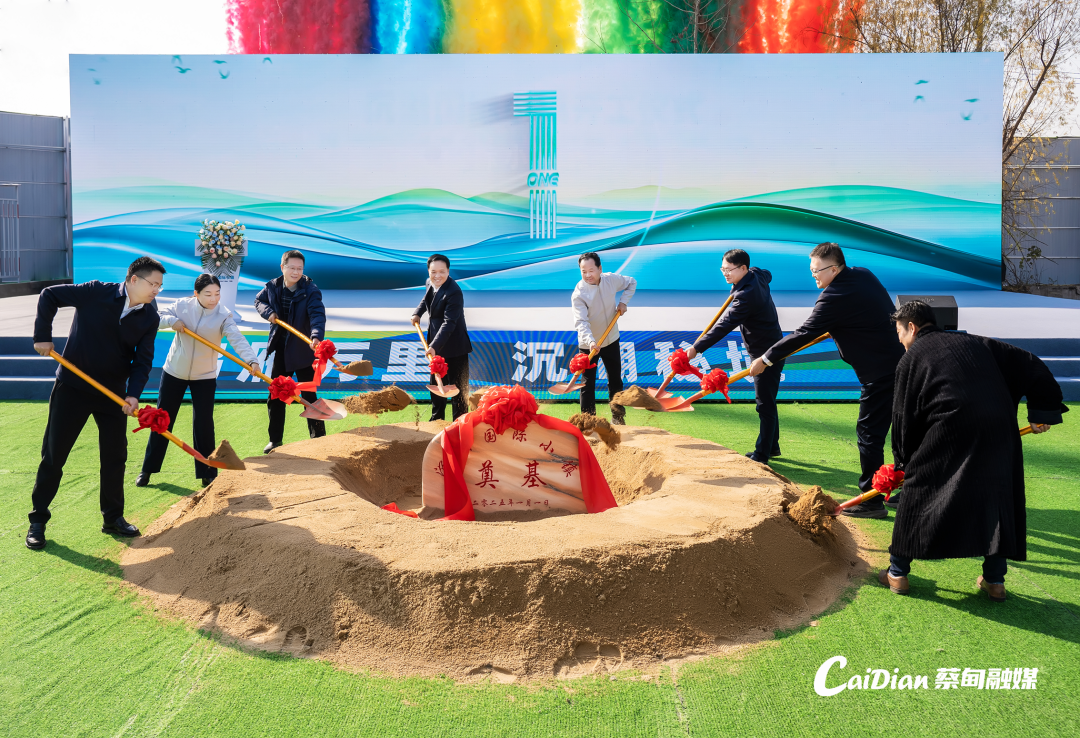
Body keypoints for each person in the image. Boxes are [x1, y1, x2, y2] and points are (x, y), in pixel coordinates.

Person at [880, 300, 1066, 601]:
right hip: (1000, 427)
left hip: (948, 425)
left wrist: (904, 464)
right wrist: (1042, 412)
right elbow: (1030, 363)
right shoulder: (977, 342)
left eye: (899, 333)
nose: (900, 340)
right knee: (996, 494)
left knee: (918, 490)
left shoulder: (910, 358)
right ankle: (995, 581)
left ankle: (897, 573)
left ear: (911, 327)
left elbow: (903, 417)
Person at [748, 242, 904, 518]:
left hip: (879, 373)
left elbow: (804, 333)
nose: (813, 276)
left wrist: (766, 358)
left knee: (869, 434)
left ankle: (871, 501)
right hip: (903, 363)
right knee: (902, 431)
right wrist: (841, 326)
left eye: (817, 271)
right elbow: (867, 312)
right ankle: (906, 490)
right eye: (811, 270)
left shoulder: (833, 297)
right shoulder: (863, 274)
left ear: (834, 268)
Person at [26, 256, 165, 550]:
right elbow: (49, 295)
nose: (156, 290)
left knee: (115, 457)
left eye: (159, 286)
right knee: (54, 455)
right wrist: (42, 336)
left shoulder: (150, 316)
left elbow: (143, 361)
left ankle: (112, 518)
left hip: (112, 394)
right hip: (72, 388)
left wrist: (133, 394)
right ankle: (37, 520)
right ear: (134, 280)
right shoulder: (96, 291)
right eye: (153, 284)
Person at [136, 274, 261, 488]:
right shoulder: (182, 306)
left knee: (204, 424)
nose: (213, 299)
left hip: (205, 376)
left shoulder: (223, 315)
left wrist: (251, 360)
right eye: (208, 294)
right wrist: (172, 321)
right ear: (196, 294)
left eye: (217, 294)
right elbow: (157, 317)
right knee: (162, 420)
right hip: (174, 371)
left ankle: (207, 473)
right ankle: (147, 469)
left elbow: (237, 338)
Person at [687, 249, 783, 464]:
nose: (725, 273)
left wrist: (696, 348)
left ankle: (762, 454)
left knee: (764, 403)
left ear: (743, 268)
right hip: (772, 344)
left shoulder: (745, 296)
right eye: (723, 269)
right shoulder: (757, 274)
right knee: (768, 399)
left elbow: (724, 326)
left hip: (765, 353)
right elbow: (767, 274)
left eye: (729, 270)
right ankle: (772, 446)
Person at [255, 250, 327, 453]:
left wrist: (316, 336)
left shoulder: (310, 290)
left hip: (303, 350)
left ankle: (319, 441)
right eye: (292, 268)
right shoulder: (272, 286)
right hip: (281, 350)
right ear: (282, 267)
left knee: (310, 397)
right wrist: (269, 313)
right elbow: (259, 301)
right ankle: (275, 440)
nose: (296, 272)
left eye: (299, 269)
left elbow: (317, 314)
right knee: (276, 395)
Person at [571, 252, 637, 425]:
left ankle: (618, 417)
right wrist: (591, 341)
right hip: (589, 344)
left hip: (611, 339)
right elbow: (581, 322)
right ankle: (588, 422)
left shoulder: (611, 280)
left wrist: (623, 302)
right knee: (587, 384)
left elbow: (631, 282)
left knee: (615, 380)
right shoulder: (579, 294)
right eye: (583, 271)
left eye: (591, 270)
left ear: (600, 269)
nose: (587, 275)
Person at [411, 253, 472, 421]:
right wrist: (417, 313)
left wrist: (434, 346)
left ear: (448, 271)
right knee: (436, 385)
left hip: (455, 346)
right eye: (433, 272)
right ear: (428, 271)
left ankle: (460, 423)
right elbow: (426, 299)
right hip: (436, 345)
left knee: (459, 391)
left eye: (442, 272)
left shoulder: (454, 292)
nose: (437, 276)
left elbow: (449, 323)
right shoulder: (430, 282)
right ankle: (436, 420)